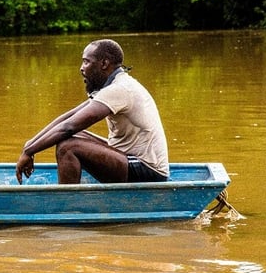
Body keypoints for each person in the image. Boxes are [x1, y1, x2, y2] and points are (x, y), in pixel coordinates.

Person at [15, 39, 169, 184]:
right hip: (129, 159)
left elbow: (69, 126)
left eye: (86, 62)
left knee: (68, 147)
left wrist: (29, 152)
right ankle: (71, 196)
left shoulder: (120, 89)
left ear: (104, 64)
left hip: (148, 172)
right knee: (68, 138)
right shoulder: (113, 86)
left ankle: (67, 207)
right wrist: (29, 146)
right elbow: (67, 118)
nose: (82, 68)